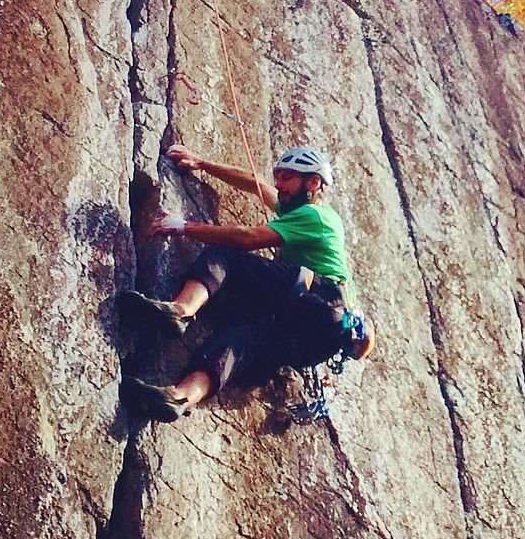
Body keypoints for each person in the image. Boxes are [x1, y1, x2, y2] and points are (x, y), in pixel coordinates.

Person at [120, 144, 375, 421]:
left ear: (313, 182)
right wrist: (204, 163)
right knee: (240, 339)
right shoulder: (300, 212)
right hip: (316, 342)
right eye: (279, 177)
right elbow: (258, 186)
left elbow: (249, 238)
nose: (279, 184)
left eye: (288, 178)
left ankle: (180, 311)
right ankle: (180, 397)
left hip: (317, 296)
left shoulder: (315, 215)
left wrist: (185, 227)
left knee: (227, 256)